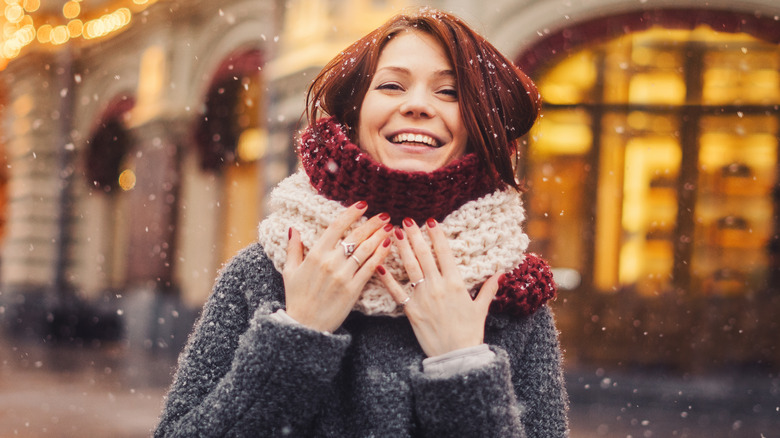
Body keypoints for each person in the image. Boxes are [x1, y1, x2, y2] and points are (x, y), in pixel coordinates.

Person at [155, 7, 568, 437]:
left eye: (449, 92)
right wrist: (297, 336)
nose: (417, 105)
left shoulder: (509, 295)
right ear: (354, 111)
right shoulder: (264, 272)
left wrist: (461, 365)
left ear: (477, 123)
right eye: (391, 85)